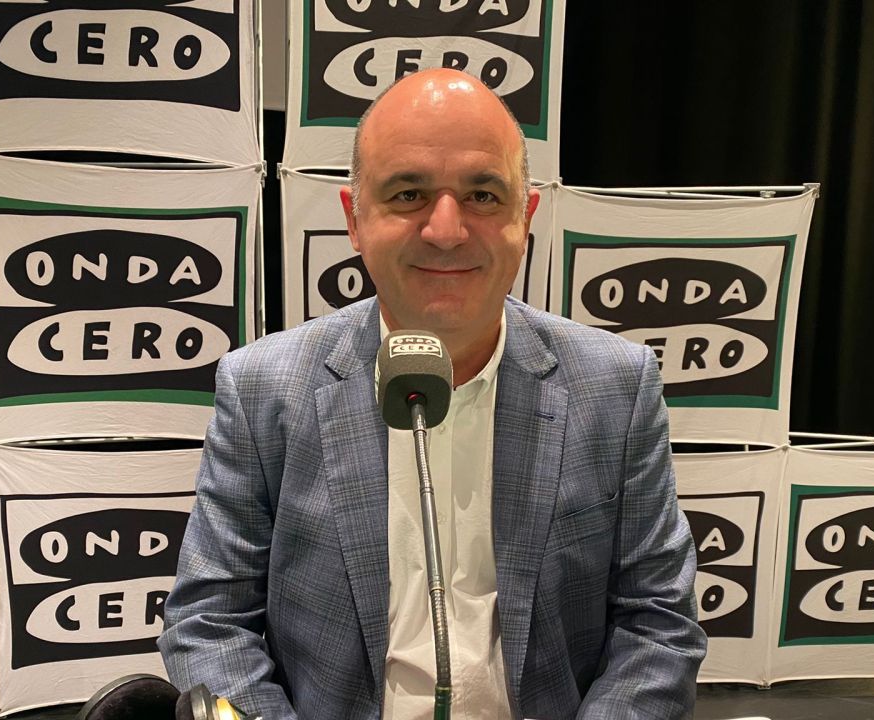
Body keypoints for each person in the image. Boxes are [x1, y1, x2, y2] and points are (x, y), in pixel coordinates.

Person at [159, 68, 706, 719]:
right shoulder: (262, 389)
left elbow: (657, 624)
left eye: (483, 195)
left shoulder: (618, 386)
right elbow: (210, 623)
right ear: (354, 219)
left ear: (525, 218)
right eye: (409, 194)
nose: (446, 229)